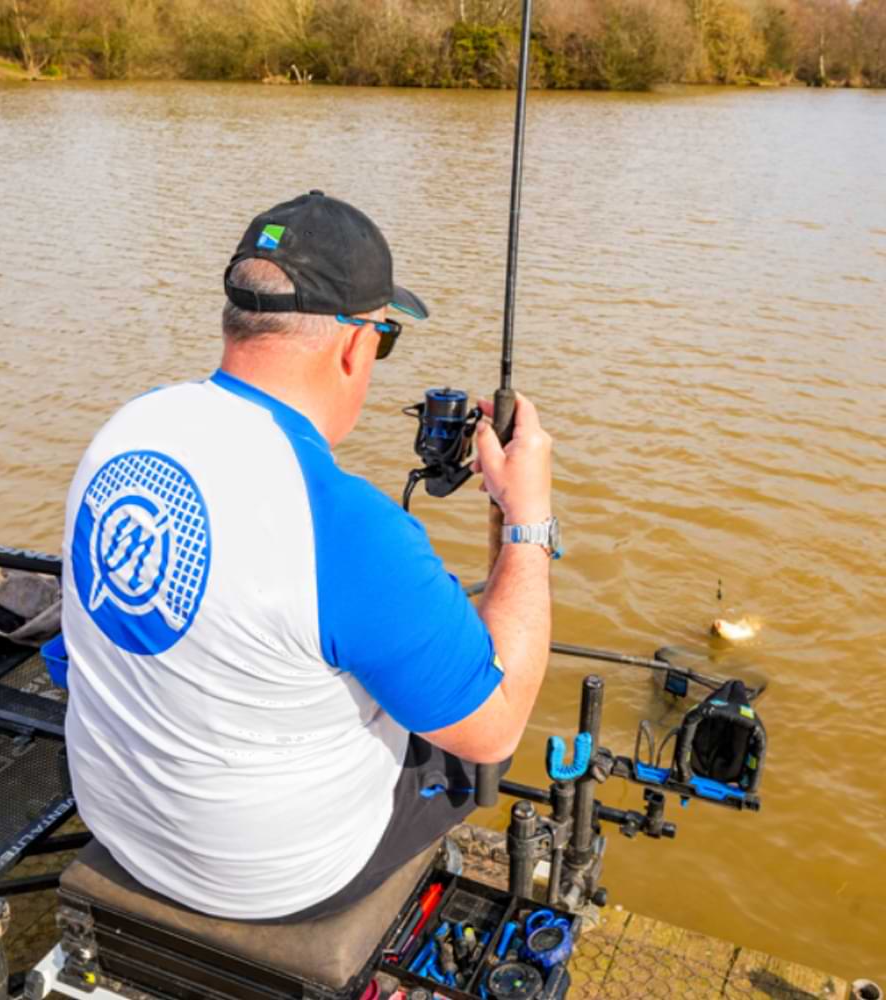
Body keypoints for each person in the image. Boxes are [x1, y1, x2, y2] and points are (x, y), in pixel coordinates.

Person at [61, 190, 555, 923]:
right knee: (481, 724)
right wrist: (526, 519)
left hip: (116, 822)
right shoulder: (350, 525)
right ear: (356, 344)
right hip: (271, 881)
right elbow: (497, 724)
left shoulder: (128, 429)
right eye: (384, 340)